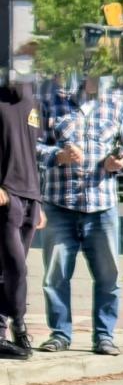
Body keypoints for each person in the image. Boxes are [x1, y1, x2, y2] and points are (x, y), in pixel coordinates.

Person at [35, 74, 123, 356]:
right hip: (60, 204)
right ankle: (60, 334)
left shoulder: (116, 107)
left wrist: (121, 160)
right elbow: (32, 145)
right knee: (55, 276)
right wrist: (58, 155)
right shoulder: (51, 103)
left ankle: (104, 336)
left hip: (102, 205)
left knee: (109, 276)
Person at [0, 76, 45, 358]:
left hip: (30, 196)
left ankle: (9, 330)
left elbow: (34, 154)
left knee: (11, 271)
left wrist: (39, 202)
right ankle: (19, 324)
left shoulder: (33, 99)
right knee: (15, 268)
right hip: (6, 195)